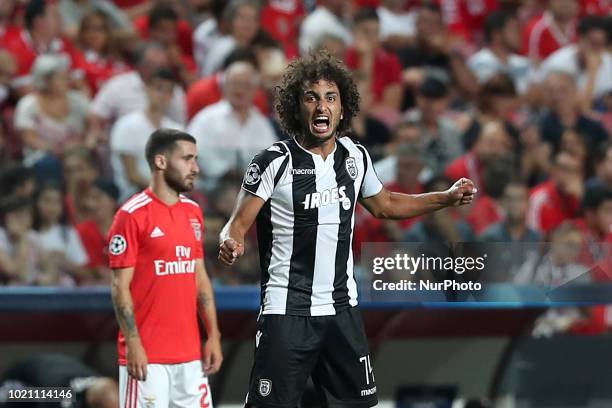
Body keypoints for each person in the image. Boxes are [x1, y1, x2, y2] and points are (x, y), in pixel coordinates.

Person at [217, 51, 476, 407]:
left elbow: (385, 204)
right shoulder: (274, 162)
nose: (321, 105)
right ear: (297, 106)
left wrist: (444, 198)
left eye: (330, 97)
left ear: (342, 107)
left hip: (342, 310)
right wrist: (231, 241)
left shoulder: (354, 156)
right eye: (311, 97)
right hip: (287, 310)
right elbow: (237, 223)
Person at [108, 129, 222, 407]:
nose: (195, 168)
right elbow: (119, 286)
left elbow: (200, 278)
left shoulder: (193, 212)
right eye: (187, 159)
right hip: (148, 358)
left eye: (195, 159)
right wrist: (133, 343)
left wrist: (213, 335)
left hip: (190, 356)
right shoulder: (131, 215)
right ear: (161, 162)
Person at [110, 68, 182, 201]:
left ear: (172, 96)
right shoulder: (127, 125)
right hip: (134, 195)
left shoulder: (177, 131)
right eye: (158, 89)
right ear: (147, 90)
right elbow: (131, 174)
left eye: (168, 91)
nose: (162, 95)